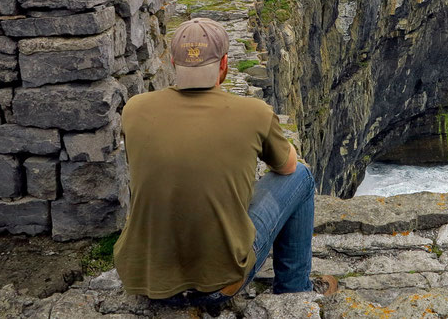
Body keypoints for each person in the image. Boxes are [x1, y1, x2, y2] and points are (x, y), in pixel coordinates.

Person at [114, 18, 332, 315]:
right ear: (225, 64)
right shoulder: (254, 112)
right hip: (219, 285)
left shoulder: (135, 109)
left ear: (172, 61)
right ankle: (294, 288)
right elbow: (288, 167)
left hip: (147, 280)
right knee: (303, 176)